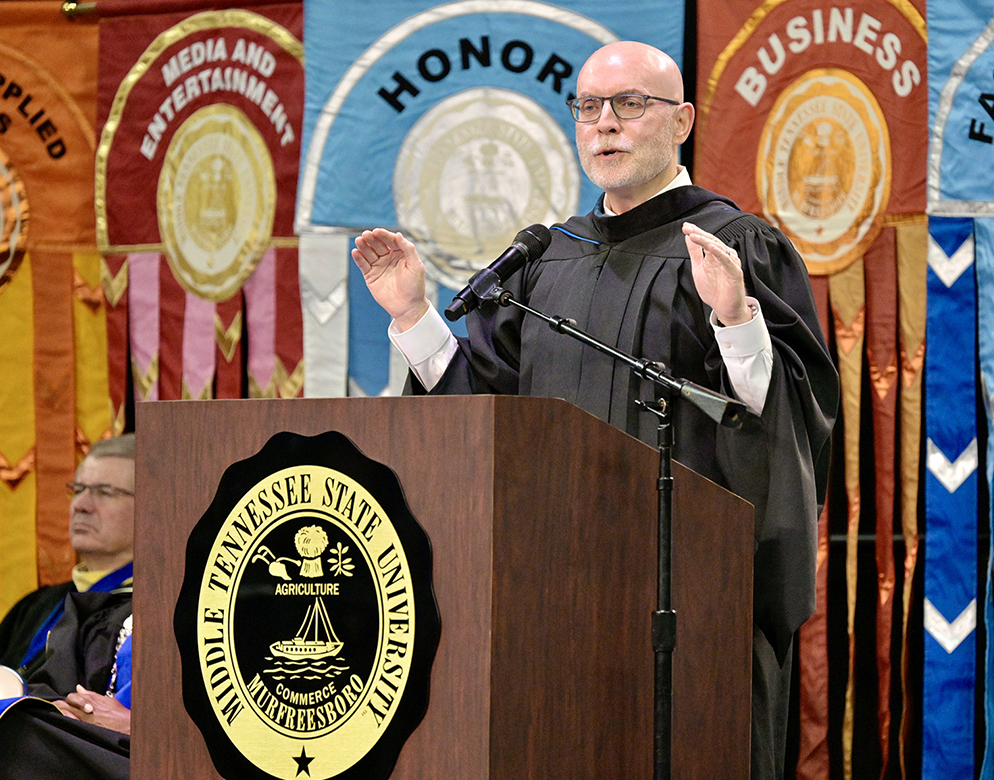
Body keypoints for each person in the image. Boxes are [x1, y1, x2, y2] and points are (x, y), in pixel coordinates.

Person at [352, 41, 838, 778]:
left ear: (682, 122)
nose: (604, 124)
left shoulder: (732, 246)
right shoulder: (548, 260)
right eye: (588, 107)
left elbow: (786, 425)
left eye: (629, 105)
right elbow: (480, 420)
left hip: (693, 608)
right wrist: (415, 316)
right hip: (555, 606)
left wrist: (738, 319)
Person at [0, 436, 136, 778]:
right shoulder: (37, 604)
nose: (82, 505)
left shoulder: (158, 608)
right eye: (78, 489)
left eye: (105, 492)